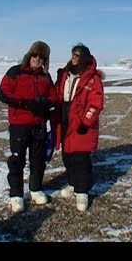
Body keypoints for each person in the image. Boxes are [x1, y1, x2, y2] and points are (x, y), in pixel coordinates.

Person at [0, 41, 59, 213]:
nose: (37, 59)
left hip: (38, 124)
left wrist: (44, 103)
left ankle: (35, 189)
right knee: (17, 160)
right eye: (35, 55)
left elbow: (54, 97)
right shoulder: (15, 72)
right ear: (29, 55)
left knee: (38, 160)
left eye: (42, 57)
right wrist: (24, 103)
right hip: (19, 125)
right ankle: (16, 194)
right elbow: (3, 93)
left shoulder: (45, 76)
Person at [54, 43, 104, 211]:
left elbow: (96, 103)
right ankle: (73, 183)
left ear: (84, 57)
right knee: (67, 155)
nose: (74, 57)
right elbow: (57, 94)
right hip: (66, 118)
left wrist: (86, 122)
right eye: (72, 54)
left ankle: (82, 192)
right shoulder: (66, 75)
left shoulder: (92, 78)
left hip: (81, 121)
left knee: (80, 157)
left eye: (77, 54)